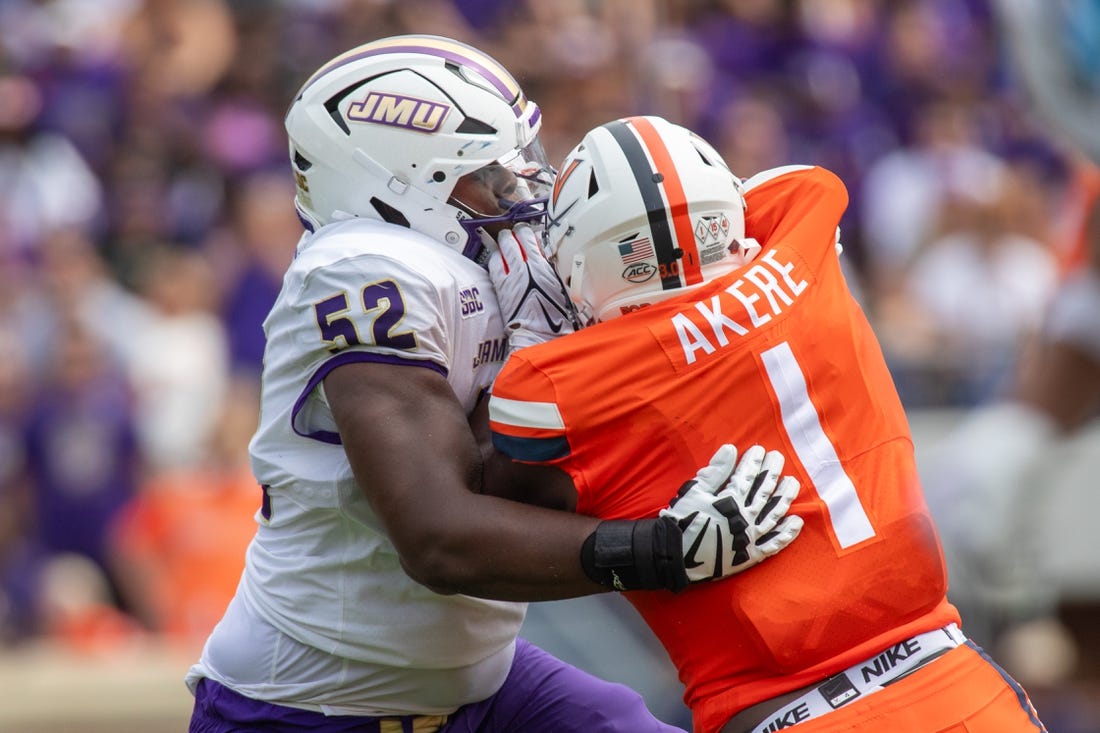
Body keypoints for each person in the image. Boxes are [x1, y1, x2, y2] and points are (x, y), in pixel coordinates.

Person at [185, 36, 805, 733]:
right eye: (491, 174)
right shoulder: (363, 271)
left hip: (482, 682)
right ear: (401, 186)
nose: (524, 192)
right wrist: (660, 548)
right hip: (311, 706)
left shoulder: (480, 266)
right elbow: (440, 538)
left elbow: (505, 478)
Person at [484, 115, 1048, 733]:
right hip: (960, 681)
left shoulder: (555, 385)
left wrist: (537, 334)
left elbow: (487, 520)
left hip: (790, 715)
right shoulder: (805, 220)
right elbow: (770, 193)